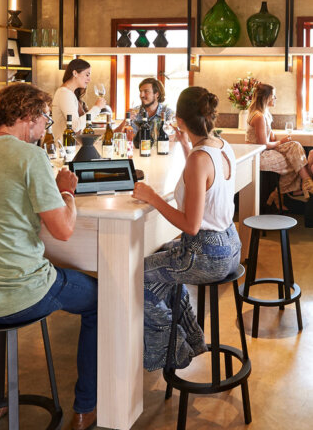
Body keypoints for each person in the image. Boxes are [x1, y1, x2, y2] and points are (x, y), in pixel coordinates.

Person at [0, 83, 99, 430]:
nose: (45, 126)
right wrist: (67, 190)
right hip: (21, 290)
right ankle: (86, 407)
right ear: (27, 118)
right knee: (101, 301)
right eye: (44, 118)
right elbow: (63, 231)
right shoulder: (30, 157)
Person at [132, 86, 241, 371]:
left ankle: (175, 345)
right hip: (230, 245)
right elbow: (205, 174)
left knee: (134, 276)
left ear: (178, 120)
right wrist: (184, 144)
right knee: (162, 261)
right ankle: (192, 335)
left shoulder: (197, 159)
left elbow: (190, 226)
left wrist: (152, 198)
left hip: (205, 254)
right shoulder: (220, 146)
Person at [245, 83, 313, 200]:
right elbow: (263, 145)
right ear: (266, 97)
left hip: (263, 152)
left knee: (294, 153)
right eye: (274, 96)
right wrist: (281, 142)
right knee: (294, 157)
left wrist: (276, 138)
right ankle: (302, 185)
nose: (275, 98)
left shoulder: (265, 114)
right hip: (258, 156)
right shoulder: (259, 116)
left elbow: (269, 138)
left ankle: (283, 192)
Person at [51, 58, 106, 141]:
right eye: (87, 75)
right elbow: (75, 126)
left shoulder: (69, 93)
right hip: (63, 149)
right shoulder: (64, 93)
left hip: (68, 146)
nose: (89, 79)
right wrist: (97, 108)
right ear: (75, 73)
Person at [115, 77, 174, 146]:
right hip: (137, 154)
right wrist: (125, 121)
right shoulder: (134, 112)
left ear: (157, 94)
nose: (141, 95)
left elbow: (172, 139)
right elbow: (114, 137)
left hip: (160, 154)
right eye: (140, 91)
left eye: (146, 91)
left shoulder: (168, 113)